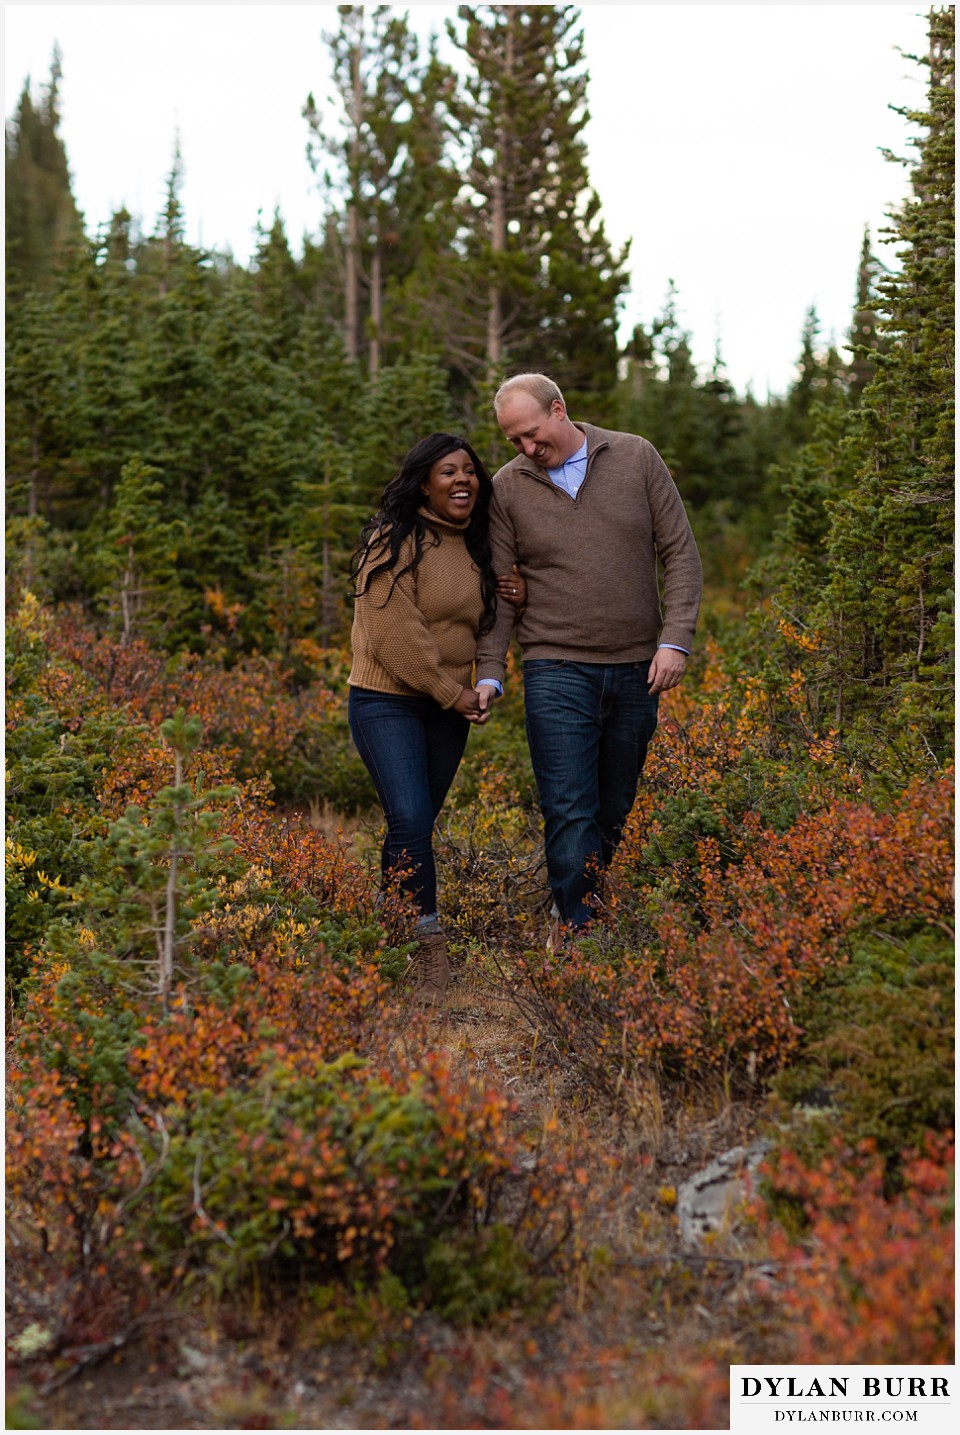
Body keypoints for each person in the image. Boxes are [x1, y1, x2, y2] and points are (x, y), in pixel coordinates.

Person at [475, 373, 703, 945]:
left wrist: (674, 640)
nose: (527, 450)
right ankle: (579, 933)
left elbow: (680, 553)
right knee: (569, 807)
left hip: (635, 668)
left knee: (613, 807)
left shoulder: (635, 457)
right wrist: (490, 671)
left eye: (531, 434)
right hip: (556, 666)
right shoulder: (508, 487)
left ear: (560, 410)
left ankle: (578, 906)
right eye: (514, 442)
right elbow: (503, 587)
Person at [348, 432, 525, 1003]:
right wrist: (452, 693)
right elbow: (392, 635)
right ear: (423, 480)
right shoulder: (392, 541)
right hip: (386, 701)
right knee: (411, 817)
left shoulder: (475, 546)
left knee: (412, 827)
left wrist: (511, 595)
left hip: (446, 706)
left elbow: (490, 617)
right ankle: (428, 953)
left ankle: (389, 934)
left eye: (470, 472)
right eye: (448, 472)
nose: (463, 481)